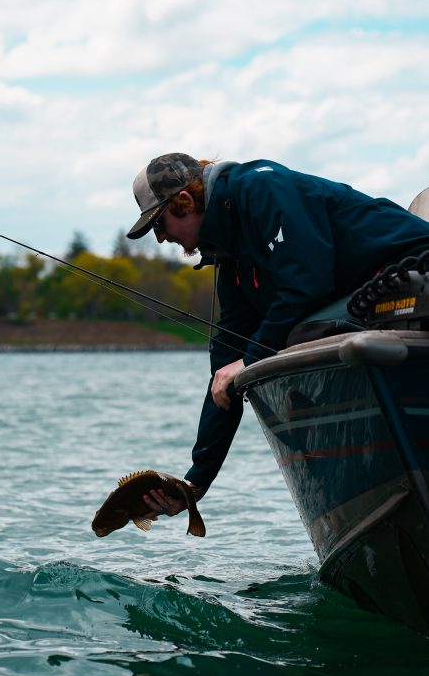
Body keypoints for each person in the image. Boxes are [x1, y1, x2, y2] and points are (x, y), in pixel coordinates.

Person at [125, 153, 429, 519]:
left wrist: (250, 360)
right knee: (279, 344)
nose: (160, 238)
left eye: (159, 224)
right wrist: (195, 483)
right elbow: (224, 372)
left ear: (185, 201)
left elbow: (308, 283)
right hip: (364, 300)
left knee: (306, 334)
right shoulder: (231, 257)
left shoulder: (262, 188)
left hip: (411, 266)